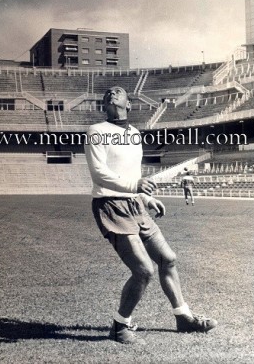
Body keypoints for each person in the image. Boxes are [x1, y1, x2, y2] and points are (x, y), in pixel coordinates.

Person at [84, 86, 217, 344]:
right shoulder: (96, 132)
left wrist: (146, 197)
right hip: (111, 206)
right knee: (144, 270)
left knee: (167, 258)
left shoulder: (134, 135)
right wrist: (136, 188)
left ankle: (183, 318)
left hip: (135, 203)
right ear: (103, 104)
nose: (113, 93)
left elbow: (132, 175)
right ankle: (119, 326)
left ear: (129, 104)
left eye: (119, 91)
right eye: (108, 92)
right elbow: (98, 173)